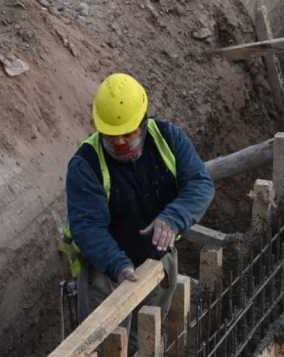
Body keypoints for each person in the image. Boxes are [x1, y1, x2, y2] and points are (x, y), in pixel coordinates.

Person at [63, 72, 214, 332]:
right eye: (111, 136)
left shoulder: (168, 138)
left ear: (143, 122)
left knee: (146, 341)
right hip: (106, 270)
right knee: (102, 344)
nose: (120, 143)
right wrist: (118, 265)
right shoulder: (86, 165)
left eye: (127, 134)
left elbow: (200, 184)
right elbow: (88, 226)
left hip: (156, 262)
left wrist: (172, 219)